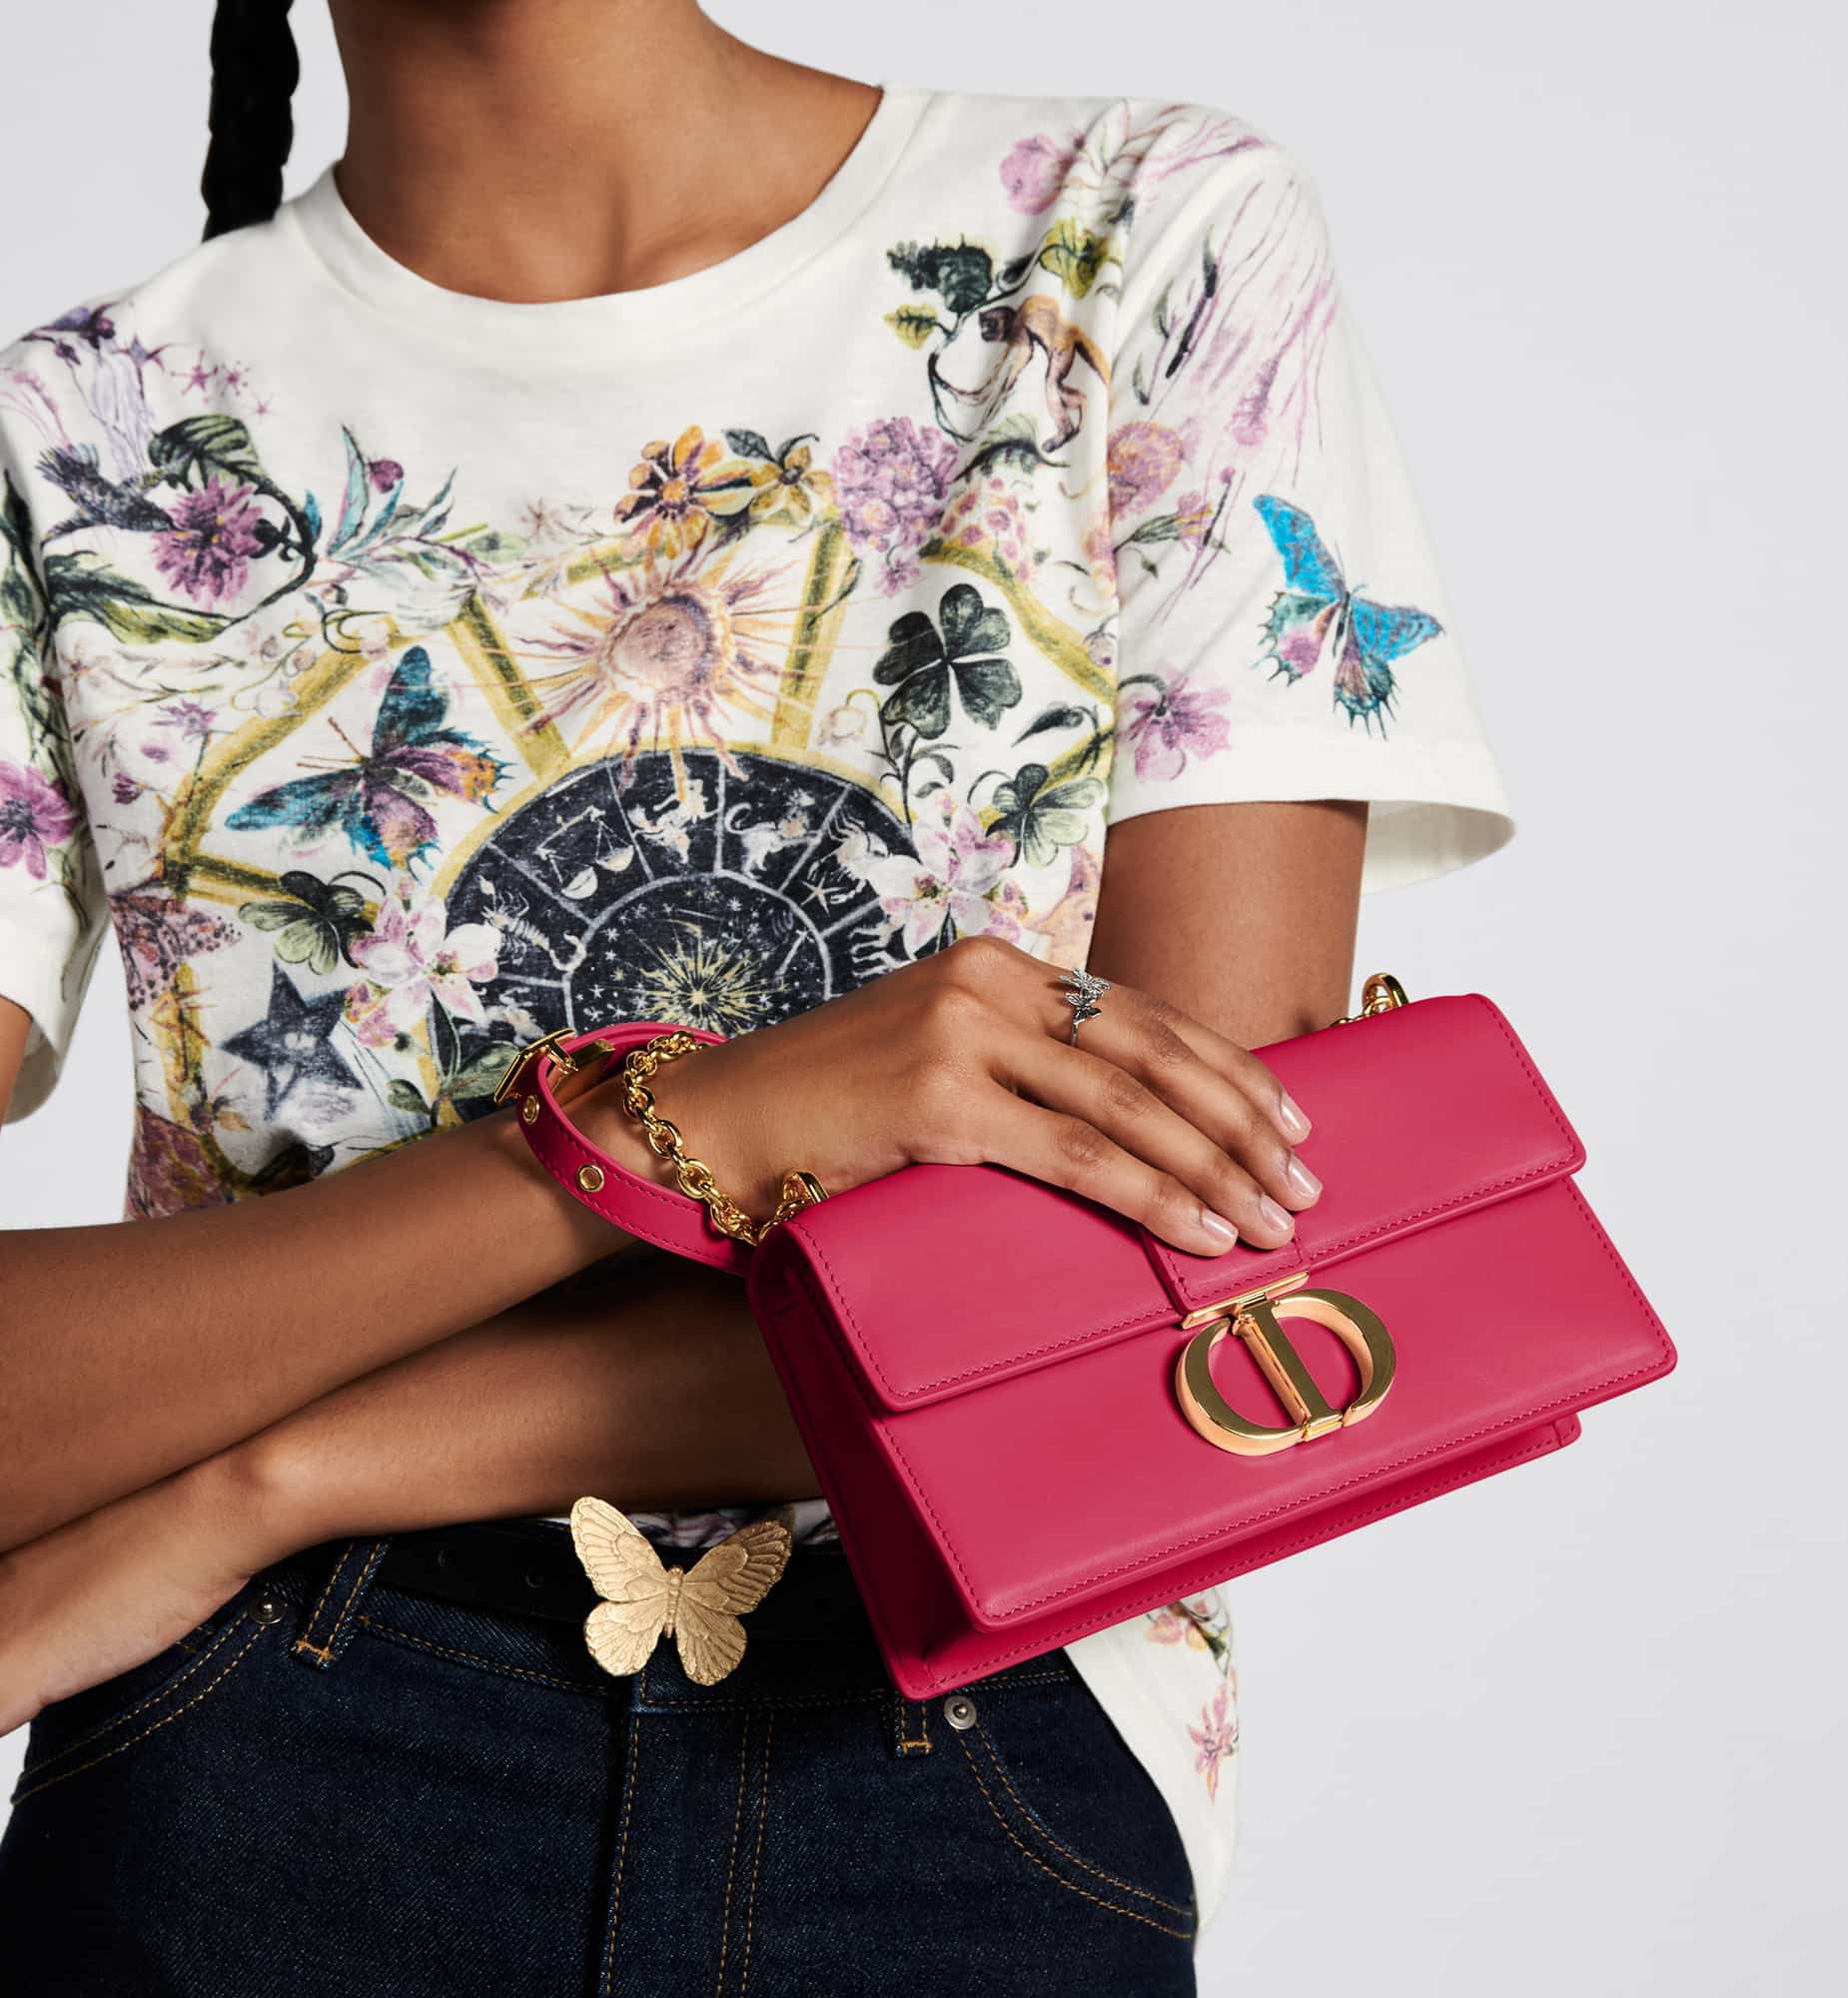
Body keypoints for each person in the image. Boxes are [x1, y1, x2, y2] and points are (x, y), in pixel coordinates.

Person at [0, 2, 1512, 1991]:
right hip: (251, 1769)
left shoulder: (1130, 241)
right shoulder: (77, 438)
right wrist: (692, 1129)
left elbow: (1205, 1264)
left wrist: (264, 1481)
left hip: (966, 1727)